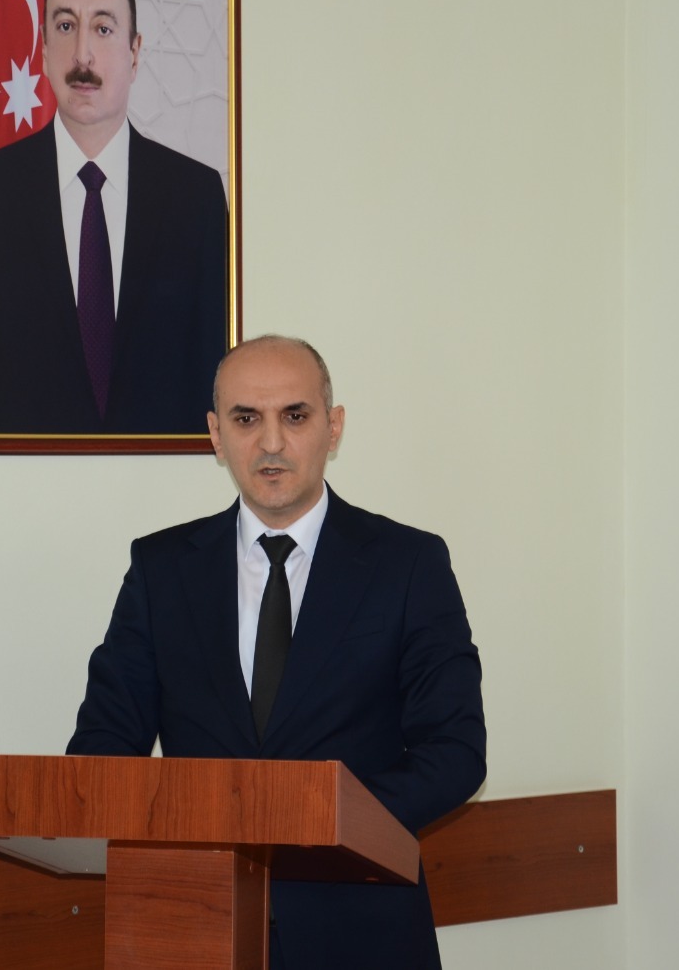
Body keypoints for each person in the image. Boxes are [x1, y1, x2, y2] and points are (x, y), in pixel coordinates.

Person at [67, 335, 487, 969]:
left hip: (361, 930)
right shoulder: (161, 569)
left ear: (333, 427)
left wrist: (317, 821)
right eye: (246, 419)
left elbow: (454, 752)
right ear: (216, 434)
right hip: (194, 925)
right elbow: (103, 748)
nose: (270, 442)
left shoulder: (408, 564)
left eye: (294, 416)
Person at [0, 0, 228, 436]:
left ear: (135, 51)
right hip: (22, 481)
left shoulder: (197, 199)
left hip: (163, 481)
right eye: (65, 26)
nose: (82, 55)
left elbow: (215, 382)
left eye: (102, 28)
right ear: (42, 48)